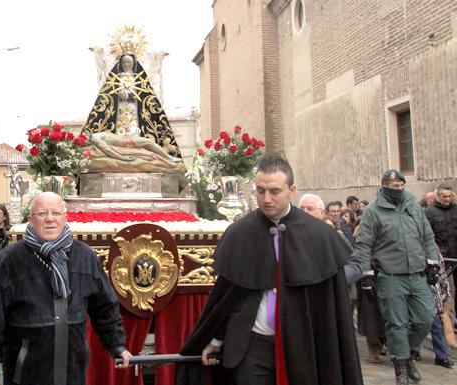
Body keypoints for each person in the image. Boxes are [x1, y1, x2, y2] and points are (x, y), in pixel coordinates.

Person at [176, 154, 362, 385]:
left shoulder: (319, 236)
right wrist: (216, 339)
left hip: (303, 346)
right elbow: (227, 298)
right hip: (252, 346)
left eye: (274, 191)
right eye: (260, 190)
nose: (266, 198)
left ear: (291, 190)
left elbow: (330, 306)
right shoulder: (240, 233)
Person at [0, 192, 131, 385]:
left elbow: (105, 307)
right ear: (30, 220)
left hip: (72, 371)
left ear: (65, 218)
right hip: (26, 374)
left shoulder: (85, 256)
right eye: (42, 213)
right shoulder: (10, 259)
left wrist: (117, 345)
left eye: (56, 213)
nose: (49, 219)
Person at [356, 170, 438, 385]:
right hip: (390, 275)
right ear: (384, 185)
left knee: (426, 318)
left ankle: (408, 353)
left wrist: (432, 262)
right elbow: (364, 244)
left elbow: (427, 236)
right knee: (397, 323)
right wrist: (366, 273)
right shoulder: (373, 211)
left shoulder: (413, 206)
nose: (397, 189)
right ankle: (400, 367)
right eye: (393, 186)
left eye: (400, 185)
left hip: (417, 274)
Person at [425, 183, 457, 319]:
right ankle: (443, 318)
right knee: (440, 291)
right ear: (438, 196)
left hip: (455, 254)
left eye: (449, 196)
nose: (447, 199)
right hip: (440, 257)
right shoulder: (429, 212)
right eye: (444, 196)